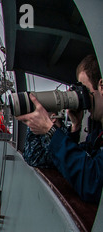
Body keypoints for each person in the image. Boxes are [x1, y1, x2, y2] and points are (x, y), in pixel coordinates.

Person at [17, 54, 103, 204]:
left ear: (101, 86)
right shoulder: (97, 130)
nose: (84, 99)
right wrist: (75, 127)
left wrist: (50, 131)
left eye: (85, 90)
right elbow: (84, 156)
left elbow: (92, 184)